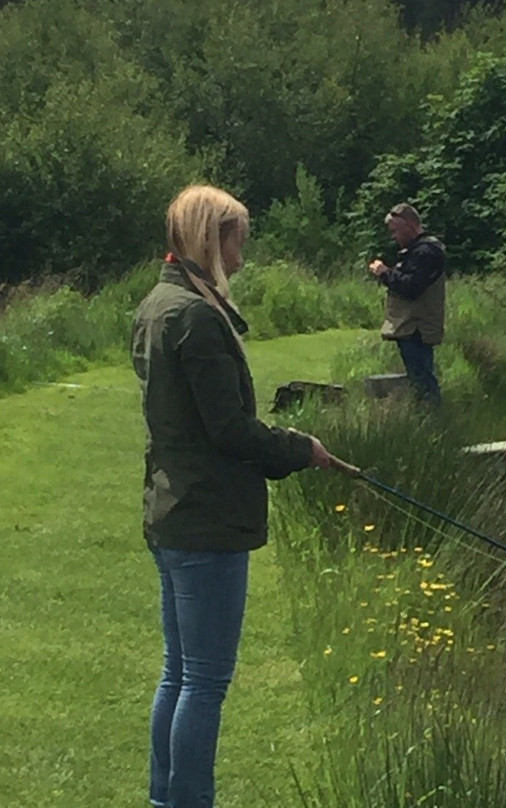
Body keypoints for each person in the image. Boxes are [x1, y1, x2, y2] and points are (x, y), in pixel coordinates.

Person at [131, 184, 337, 808]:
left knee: (180, 674)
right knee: (204, 680)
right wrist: (300, 448)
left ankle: (167, 800)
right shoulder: (192, 316)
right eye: (238, 239)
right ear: (209, 240)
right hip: (206, 518)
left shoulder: (158, 303)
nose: (244, 254)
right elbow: (228, 430)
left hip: (175, 511)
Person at [368, 202, 446, 407]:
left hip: (417, 328)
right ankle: (428, 420)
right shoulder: (418, 251)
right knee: (419, 379)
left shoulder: (425, 252)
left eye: (395, 231)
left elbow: (411, 287)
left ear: (410, 225)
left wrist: (384, 272)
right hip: (411, 327)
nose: (393, 236)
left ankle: (433, 423)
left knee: (423, 382)